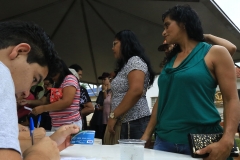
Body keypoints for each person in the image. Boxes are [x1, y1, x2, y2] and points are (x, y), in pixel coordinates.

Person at [141, 5, 240, 160]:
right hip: (163, 142)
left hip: (201, 143)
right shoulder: (170, 61)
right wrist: (146, 134)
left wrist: (227, 139)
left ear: (183, 23)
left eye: (167, 25)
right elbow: (161, 101)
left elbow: (231, 99)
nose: (163, 32)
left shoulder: (214, 52)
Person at [0, 21, 79, 160]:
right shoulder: (2, 73)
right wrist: (41, 155)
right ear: (20, 51)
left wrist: (50, 144)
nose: (26, 92)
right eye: (34, 79)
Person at [107, 30, 155, 140]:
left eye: (115, 44)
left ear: (125, 43)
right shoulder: (127, 64)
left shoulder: (135, 61)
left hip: (133, 122)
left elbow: (136, 90)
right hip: (128, 123)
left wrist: (114, 115)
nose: (112, 48)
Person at [31, 60, 82, 131]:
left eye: (54, 74)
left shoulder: (70, 78)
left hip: (69, 123)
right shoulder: (59, 83)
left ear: (60, 70)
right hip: (58, 124)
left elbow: (66, 102)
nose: (52, 77)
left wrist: (43, 108)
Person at [69, 64, 94, 130]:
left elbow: (91, 108)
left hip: (78, 125)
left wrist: (75, 114)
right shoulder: (63, 87)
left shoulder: (82, 90)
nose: (81, 77)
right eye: (79, 74)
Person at [97, 72, 112, 141]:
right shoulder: (101, 92)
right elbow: (97, 105)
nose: (103, 81)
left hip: (111, 118)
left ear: (109, 80)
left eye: (104, 79)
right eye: (102, 79)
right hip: (102, 119)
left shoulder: (113, 91)